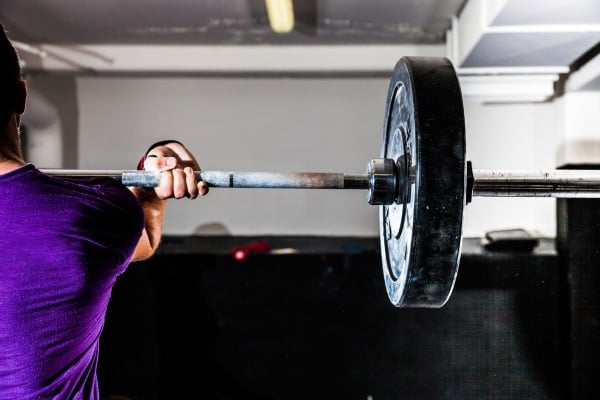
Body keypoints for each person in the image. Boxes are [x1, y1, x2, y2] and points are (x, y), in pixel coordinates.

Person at [0, 24, 209, 399]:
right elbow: (142, 240)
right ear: (21, 96)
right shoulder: (95, 212)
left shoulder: (97, 212)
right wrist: (153, 178)